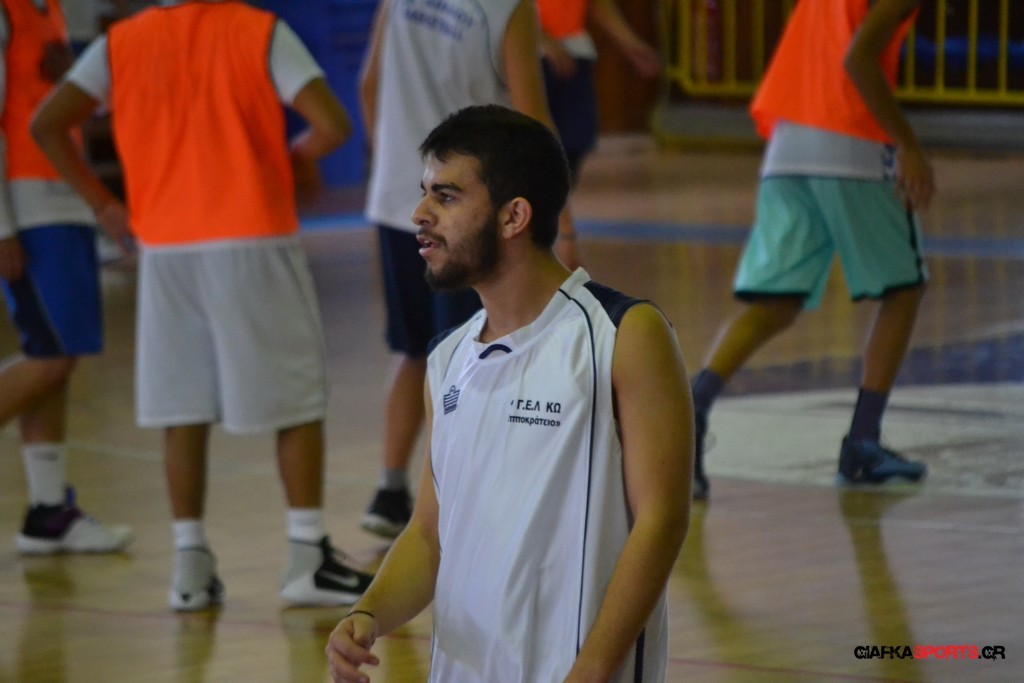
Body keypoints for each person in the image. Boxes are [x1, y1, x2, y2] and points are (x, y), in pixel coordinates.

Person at [326, 104, 692, 682]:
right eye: (424, 194)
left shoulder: (624, 334)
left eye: (446, 197)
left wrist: (593, 668)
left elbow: (662, 521)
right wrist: (367, 613)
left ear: (513, 216)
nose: (419, 214)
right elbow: (429, 535)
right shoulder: (446, 359)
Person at [32, 0, 373, 611]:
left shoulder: (121, 43)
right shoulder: (258, 30)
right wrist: (296, 158)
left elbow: (46, 124)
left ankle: (189, 567)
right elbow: (333, 123)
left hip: (166, 248)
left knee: (182, 407)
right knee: (296, 400)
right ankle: (305, 555)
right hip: (252, 237)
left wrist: (103, 203)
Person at [689, 0, 931, 500]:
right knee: (904, 288)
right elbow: (857, 59)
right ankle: (863, 441)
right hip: (851, 141)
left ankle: (692, 409)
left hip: (788, 141)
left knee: (775, 303)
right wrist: (908, 144)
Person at [357, 0, 581, 539]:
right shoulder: (510, 7)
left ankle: (390, 490)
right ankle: (466, 497)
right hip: (467, 212)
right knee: (479, 355)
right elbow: (532, 119)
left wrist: (394, 168)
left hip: (400, 200)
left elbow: (368, 86)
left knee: (415, 349)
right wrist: (564, 222)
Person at [1, 0, 132, 555]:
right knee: (50, 357)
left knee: (57, 358)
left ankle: (48, 510)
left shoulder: (47, 9)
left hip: (60, 201)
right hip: (27, 206)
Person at [536, 0, 661, 184]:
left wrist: (629, 43)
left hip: (575, 50)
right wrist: (540, 40)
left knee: (575, 140)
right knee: (535, 140)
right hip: (531, 56)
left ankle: (557, 194)